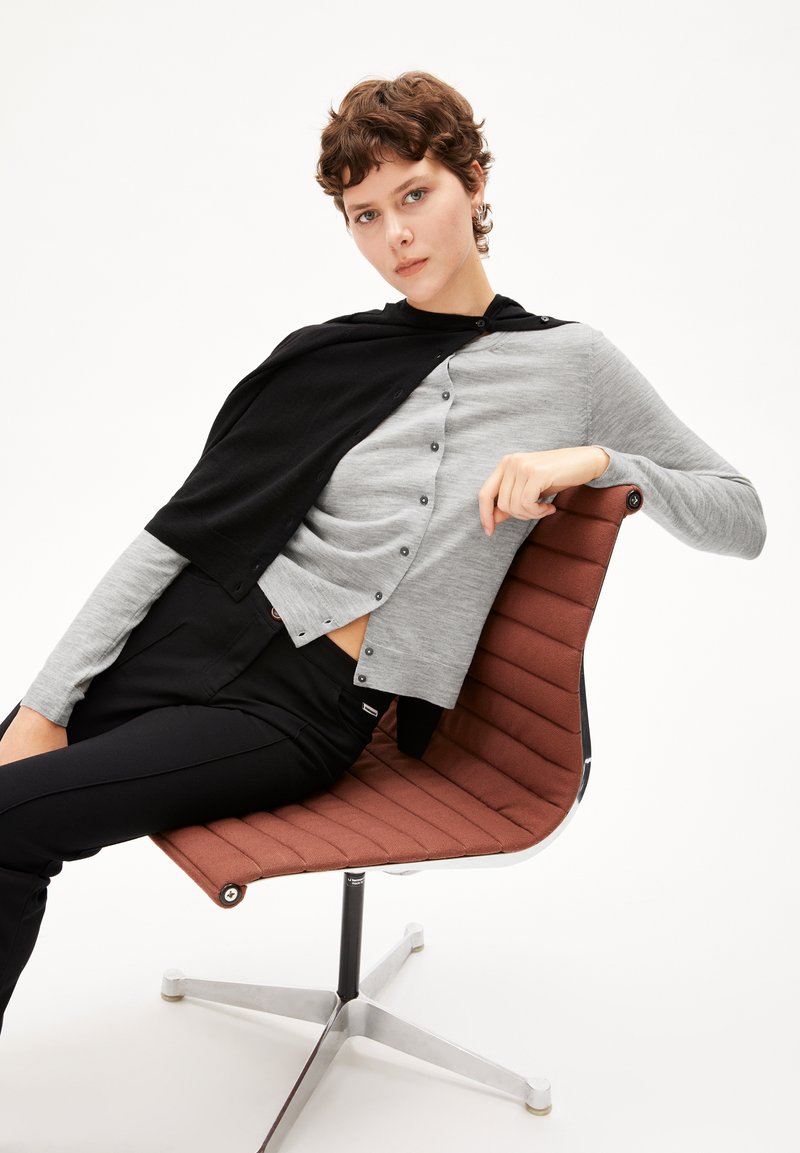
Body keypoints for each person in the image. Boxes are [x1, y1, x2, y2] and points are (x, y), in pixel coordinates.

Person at [0, 71, 766, 1034]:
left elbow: (743, 517)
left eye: (415, 195)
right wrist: (44, 704)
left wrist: (602, 459)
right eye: (365, 215)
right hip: (191, 635)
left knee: (11, 821)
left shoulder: (574, 365)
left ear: (474, 183)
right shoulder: (329, 356)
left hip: (300, 709)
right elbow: (175, 538)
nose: (395, 235)